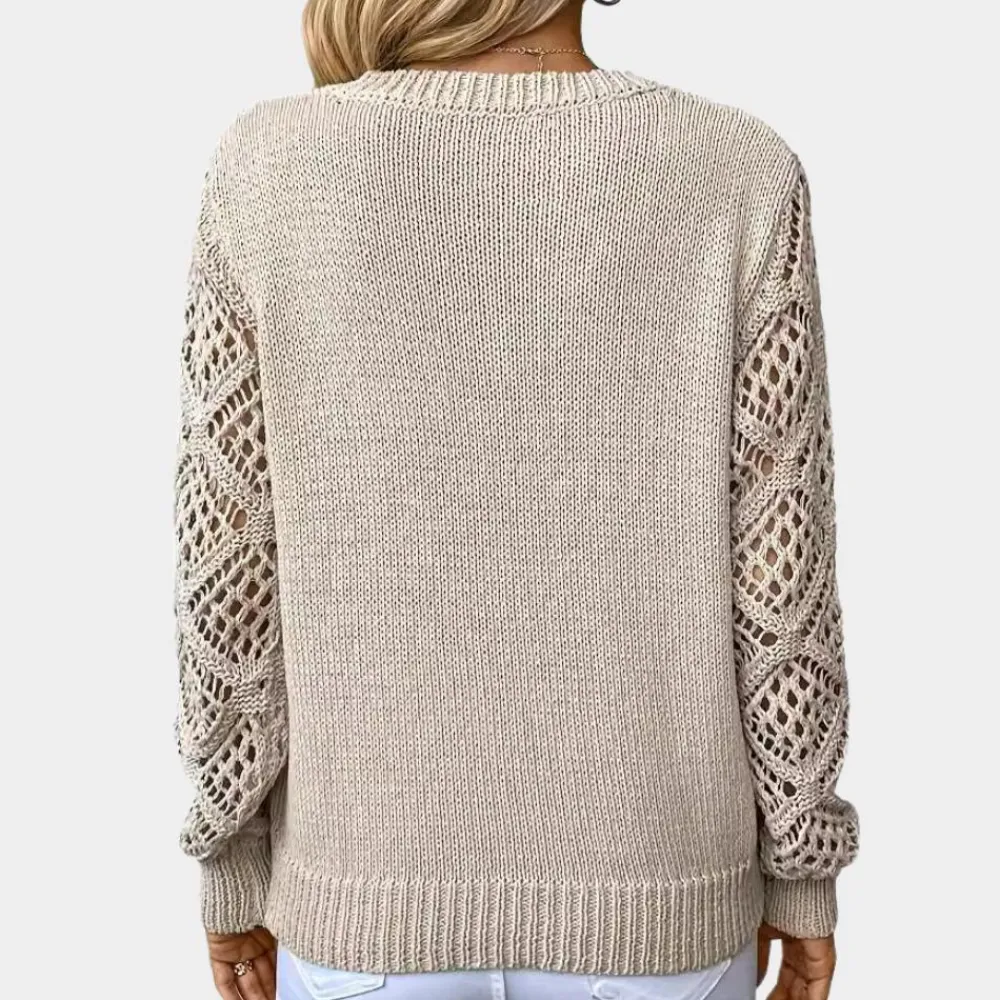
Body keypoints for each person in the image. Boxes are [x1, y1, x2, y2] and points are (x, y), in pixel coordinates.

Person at [172, 1, 860, 998]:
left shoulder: (268, 166)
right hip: (659, 900)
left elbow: (228, 572)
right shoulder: (736, 169)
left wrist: (230, 862)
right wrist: (800, 872)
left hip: (368, 896)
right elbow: (782, 574)